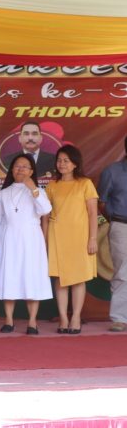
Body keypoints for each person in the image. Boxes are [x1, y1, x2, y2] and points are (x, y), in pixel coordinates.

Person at [0, 154, 52, 334]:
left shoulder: (38, 192)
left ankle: (32, 322)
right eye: (17, 166)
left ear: (32, 171)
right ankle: (9, 320)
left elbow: (46, 210)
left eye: (25, 167)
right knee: (9, 276)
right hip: (8, 239)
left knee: (31, 277)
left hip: (31, 239)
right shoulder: (3, 193)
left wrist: (33, 189)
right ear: (12, 169)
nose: (21, 169)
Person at [42, 145, 98, 334]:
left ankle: (75, 318)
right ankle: (63, 318)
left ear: (75, 163)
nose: (62, 164)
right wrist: (45, 239)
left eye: (66, 160)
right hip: (57, 236)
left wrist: (93, 238)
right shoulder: (52, 186)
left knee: (78, 279)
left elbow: (92, 213)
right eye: (59, 160)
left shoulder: (85, 183)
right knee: (60, 279)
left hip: (80, 237)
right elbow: (45, 216)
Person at [98, 136, 127, 332]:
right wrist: (114, 221)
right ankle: (119, 318)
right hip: (121, 225)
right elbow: (101, 202)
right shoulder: (112, 171)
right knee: (123, 272)